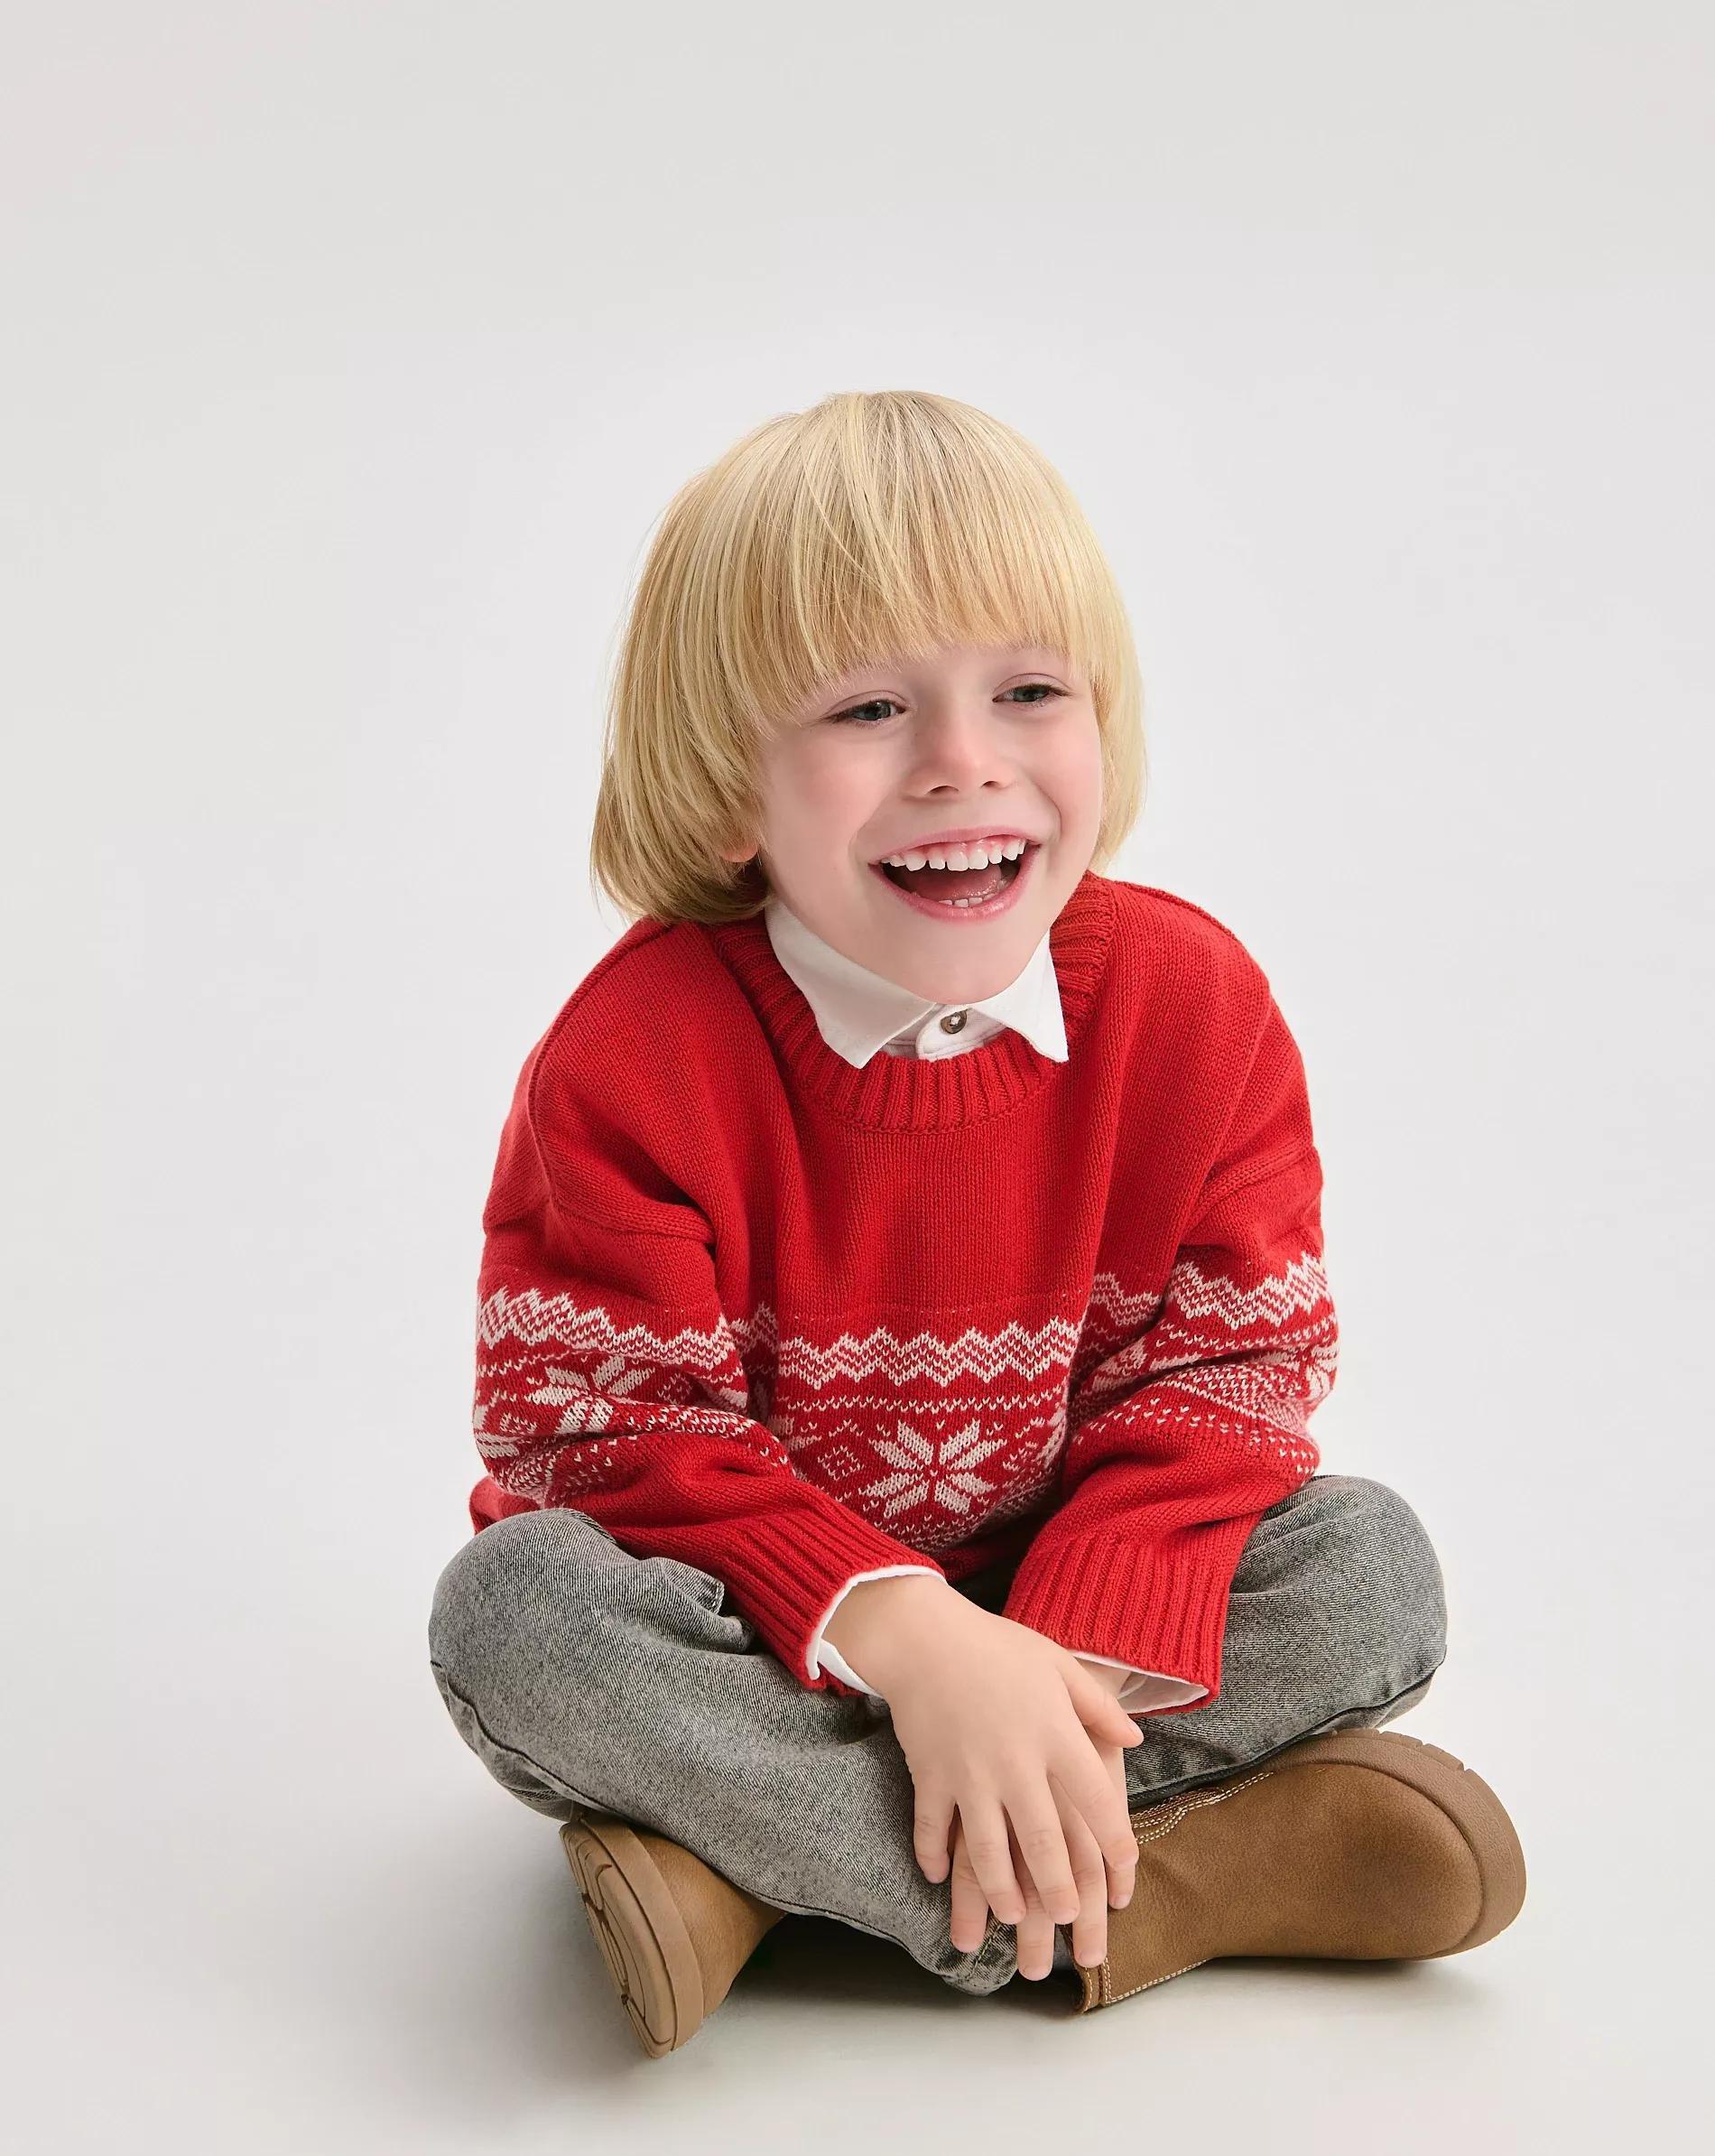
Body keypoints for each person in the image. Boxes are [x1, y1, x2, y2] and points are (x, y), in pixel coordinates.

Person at [427, 388, 1525, 2058]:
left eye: (1029, 691)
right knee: (521, 1615)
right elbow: (602, 1436)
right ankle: (1161, 1883)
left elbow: (1230, 1379)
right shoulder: (634, 1058)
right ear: (727, 789)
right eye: (870, 708)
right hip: (757, 1629)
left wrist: (1037, 1663)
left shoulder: (1194, 1006)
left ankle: (758, 1875)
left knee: (1367, 1568)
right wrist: (911, 1637)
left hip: (1066, 1612)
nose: (964, 760)